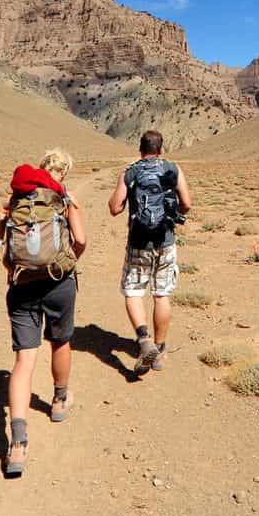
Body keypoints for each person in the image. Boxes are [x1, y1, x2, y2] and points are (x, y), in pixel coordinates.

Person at [0, 148, 86, 477]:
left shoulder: (16, 198)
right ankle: (60, 401)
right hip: (59, 282)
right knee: (60, 342)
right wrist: (65, 261)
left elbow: (4, 244)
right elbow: (81, 239)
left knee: (24, 360)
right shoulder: (64, 197)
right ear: (64, 172)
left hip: (21, 285)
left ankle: (18, 443)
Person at [107, 130, 192, 374]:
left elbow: (114, 208)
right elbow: (187, 203)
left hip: (138, 242)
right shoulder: (173, 169)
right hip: (165, 241)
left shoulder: (131, 171)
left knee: (133, 291)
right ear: (161, 149)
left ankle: (144, 340)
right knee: (161, 294)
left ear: (140, 149)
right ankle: (160, 349)